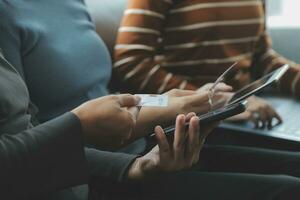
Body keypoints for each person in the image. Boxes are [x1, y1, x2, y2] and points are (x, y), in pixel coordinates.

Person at [2, 1, 300, 199]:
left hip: (144, 147)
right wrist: (182, 106)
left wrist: (166, 104)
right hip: (90, 169)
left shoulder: (71, 4)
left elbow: (103, 95)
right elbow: (31, 132)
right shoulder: (7, 13)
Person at [0, 49, 206, 199]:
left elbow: (28, 130)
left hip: (92, 179)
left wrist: (134, 166)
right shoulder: (9, 15)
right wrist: (79, 127)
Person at [114, 0, 300, 129]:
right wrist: (215, 103)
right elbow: (131, 62)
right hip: (189, 123)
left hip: (248, 115)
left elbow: (260, 57)